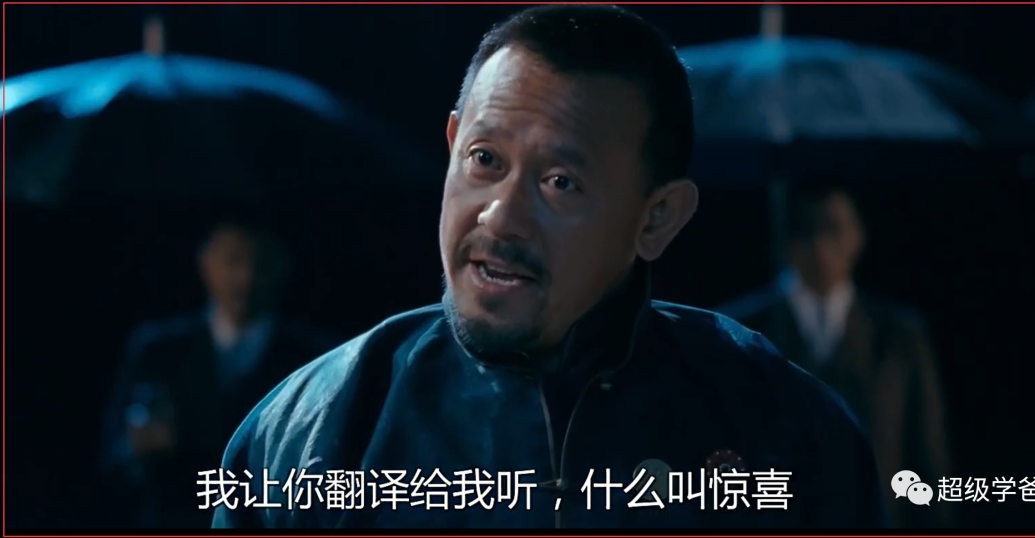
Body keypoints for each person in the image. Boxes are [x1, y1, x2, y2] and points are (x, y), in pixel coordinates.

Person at [213, 5, 885, 529]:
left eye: (560, 182)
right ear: (452, 143)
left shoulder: (780, 426)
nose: (500, 217)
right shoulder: (312, 431)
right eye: (484, 159)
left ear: (658, 218)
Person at [717, 180, 952, 528]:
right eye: (806, 231)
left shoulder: (898, 336)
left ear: (858, 236)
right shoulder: (735, 331)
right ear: (785, 239)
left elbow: (927, 455)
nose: (821, 246)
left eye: (834, 230)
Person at [100, 214, 339, 528]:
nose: (246, 277)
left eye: (262, 264)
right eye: (233, 260)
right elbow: (112, 451)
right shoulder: (159, 350)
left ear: (283, 268)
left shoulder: (316, 357)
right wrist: (139, 447)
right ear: (206, 263)